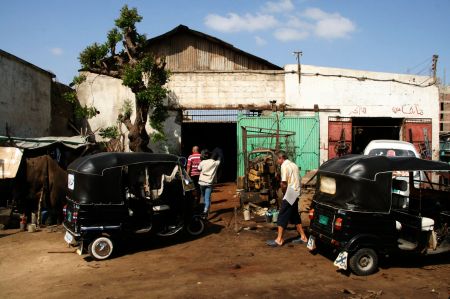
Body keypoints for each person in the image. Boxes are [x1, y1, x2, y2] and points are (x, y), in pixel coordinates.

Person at [267, 151, 307, 247]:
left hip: (291, 192)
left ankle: (279, 239)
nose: (276, 161)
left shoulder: (284, 166)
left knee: (282, 215)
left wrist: (284, 192)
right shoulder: (294, 165)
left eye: (277, 159)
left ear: (281, 158)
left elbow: (284, 183)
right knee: (294, 216)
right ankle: (303, 237)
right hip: (296, 191)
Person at [197, 149, 221, 215]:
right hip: (209, 183)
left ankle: (201, 210)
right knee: (207, 198)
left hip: (201, 182)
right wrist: (218, 154)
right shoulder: (215, 162)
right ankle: (205, 211)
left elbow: (198, 169)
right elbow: (219, 159)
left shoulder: (202, 162)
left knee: (203, 196)